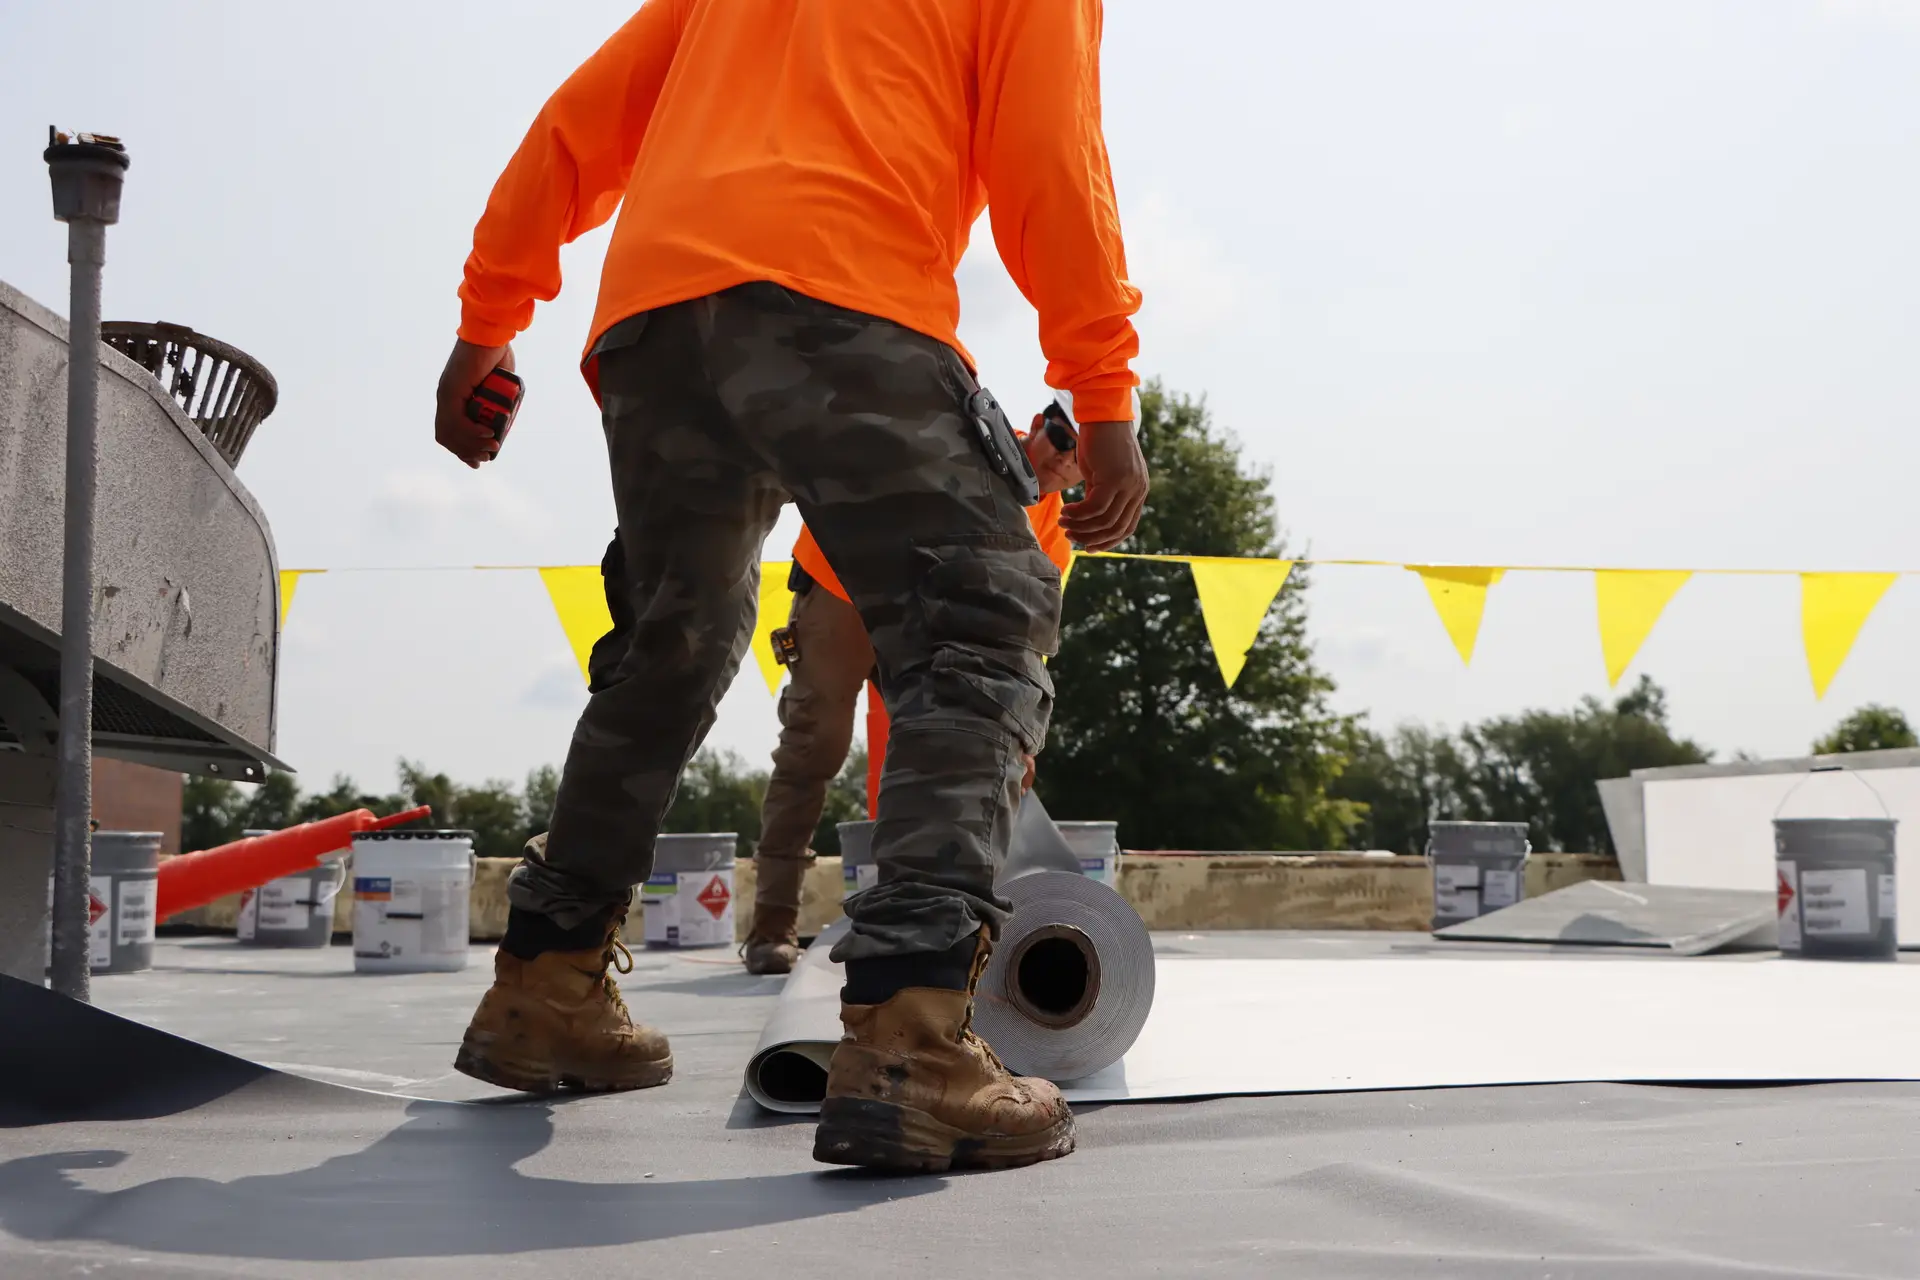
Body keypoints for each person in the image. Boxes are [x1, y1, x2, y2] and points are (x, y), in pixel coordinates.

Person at [432, 0, 1146, 1173]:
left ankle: (544, 989)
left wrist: (487, 322)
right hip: (841, 285)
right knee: (981, 617)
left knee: (669, 642)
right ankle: (913, 1037)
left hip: (654, 325)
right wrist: (1101, 388)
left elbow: (576, 126)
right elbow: (1050, 159)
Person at [743, 404, 1082, 975]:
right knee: (813, 747)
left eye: (1080, 455)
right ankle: (771, 928)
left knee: (977, 750)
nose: (1061, 456)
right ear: (1039, 422)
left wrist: (1019, 732)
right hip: (843, 586)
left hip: (932, 621)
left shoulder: (1055, 534)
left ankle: (946, 928)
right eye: (1059, 434)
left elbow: (1024, 637)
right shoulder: (971, 437)